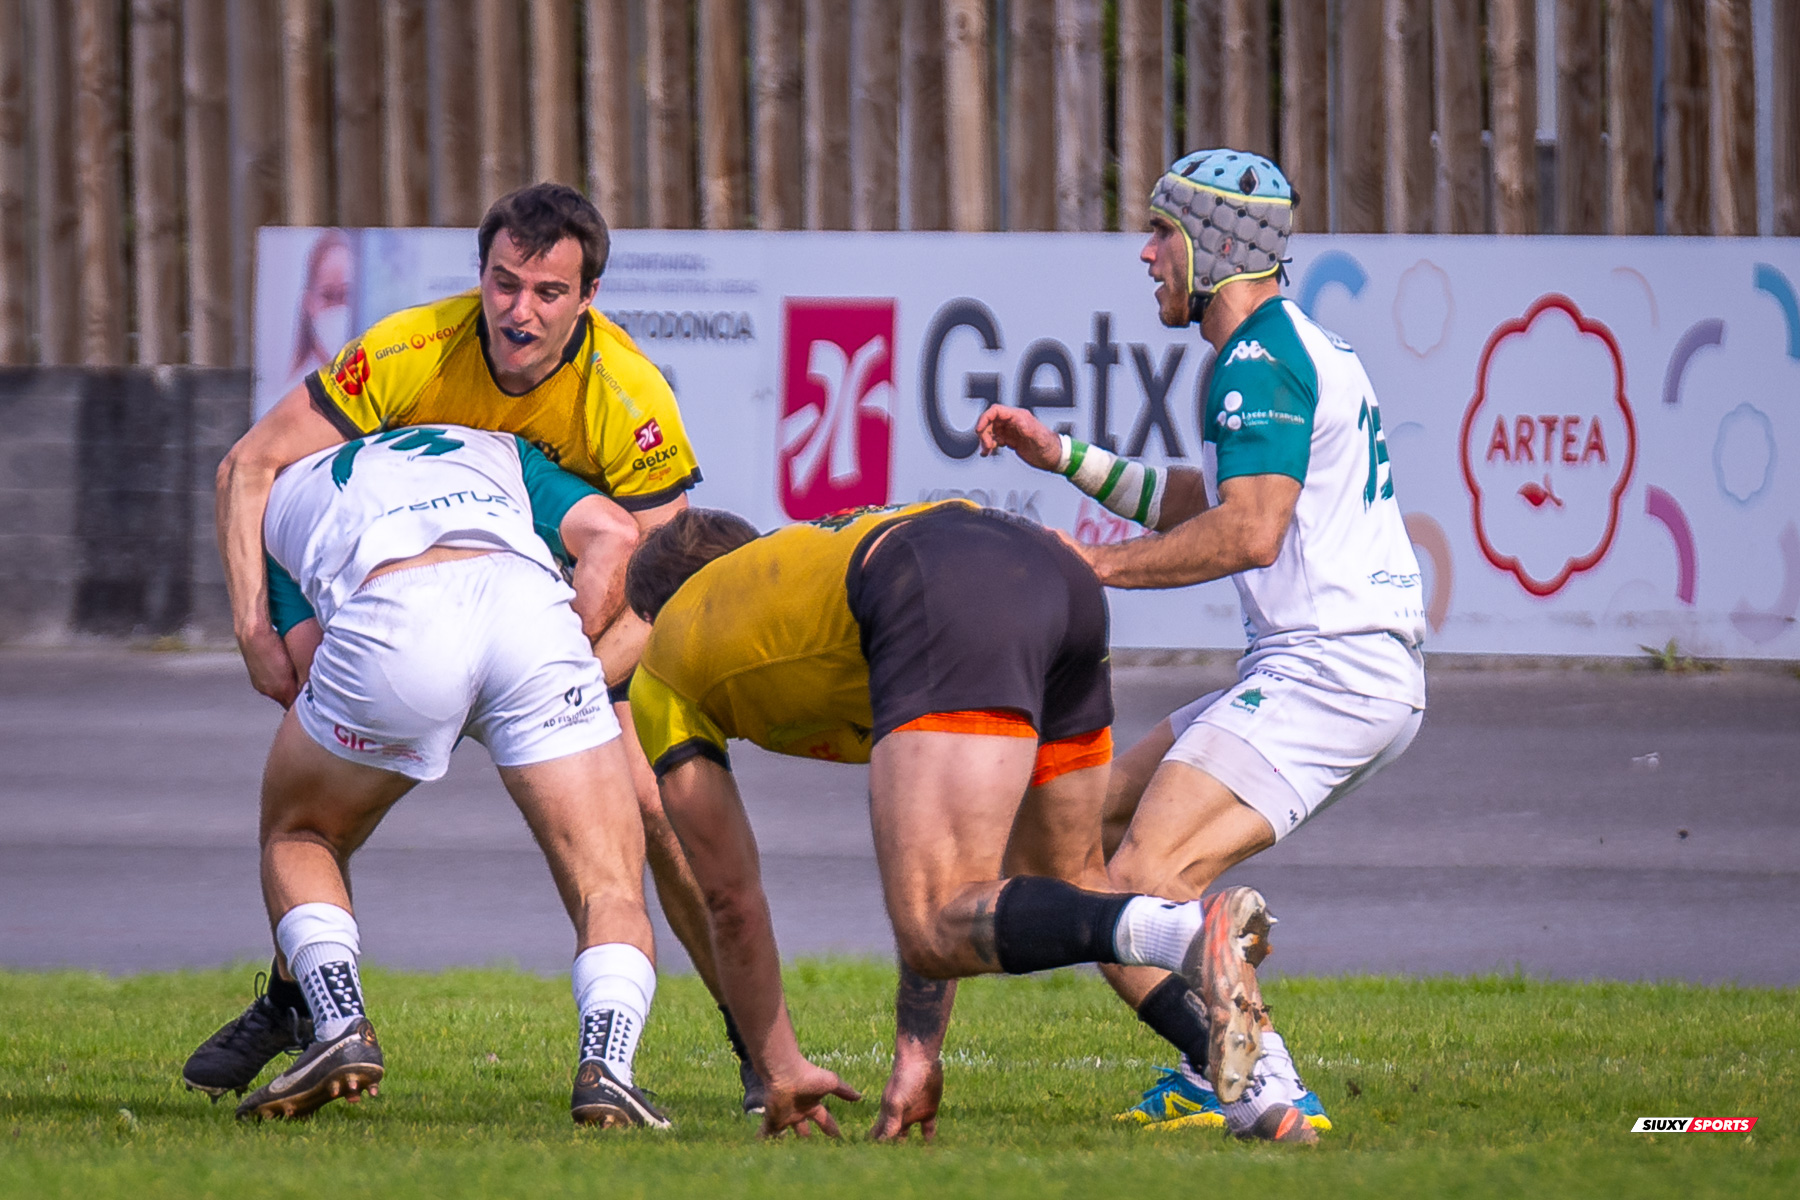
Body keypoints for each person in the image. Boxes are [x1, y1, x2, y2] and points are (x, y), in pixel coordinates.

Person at [212, 182, 764, 1110]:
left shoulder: (629, 396)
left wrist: (585, 678)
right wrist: (254, 631)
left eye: (548, 293)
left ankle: (753, 1041)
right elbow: (256, 466)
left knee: (658, 812)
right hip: (444, 579)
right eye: (504, 285)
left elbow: (666, 586)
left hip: (583, 621)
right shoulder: (409, 349)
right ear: (481, 277)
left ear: (587, 299)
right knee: (343, 804)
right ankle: (293, 1001)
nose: (520, 311)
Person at [977, 148, 1428, 1137]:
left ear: (1215, 247)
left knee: (1143, 882)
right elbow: (1210, 501)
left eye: (1162, 234)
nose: (1147, 255)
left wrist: (1090, 567)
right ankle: (1207, 1057)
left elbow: (1249, 531)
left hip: (1329, 669)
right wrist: (1064, 458)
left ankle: (1268, 1080)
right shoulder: (1285, 348)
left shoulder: (1258, 359)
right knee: (1078, 851)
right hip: (1327, 665)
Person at [622, 501, 1314, 1143]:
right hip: (1052, 575)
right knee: (1067, 877)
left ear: (656, 615)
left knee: (933, 920)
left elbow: (730, 901)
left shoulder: (667, 662)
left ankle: (1188, 931)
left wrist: (778, 1068)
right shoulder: (797, 569)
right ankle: (1260, 1096)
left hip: (936, 585)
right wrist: (917, 1052)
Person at [186, 424, 668, 1126]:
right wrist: (559, 674)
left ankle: (338, 1022)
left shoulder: (280, 488)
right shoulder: (497, 447)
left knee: (303, 833)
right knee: (608, 883)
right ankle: (608, 1069)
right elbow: (616, 535)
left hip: (394, 617)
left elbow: (304, 658)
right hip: (530, 616)